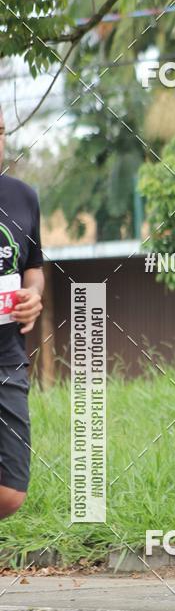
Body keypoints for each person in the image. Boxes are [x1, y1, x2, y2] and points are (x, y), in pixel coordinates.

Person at [0, 105, 44, 518]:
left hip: (8, 356)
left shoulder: (22, 196)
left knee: (11, 492)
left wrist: (33, 296)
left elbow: (32, 268)